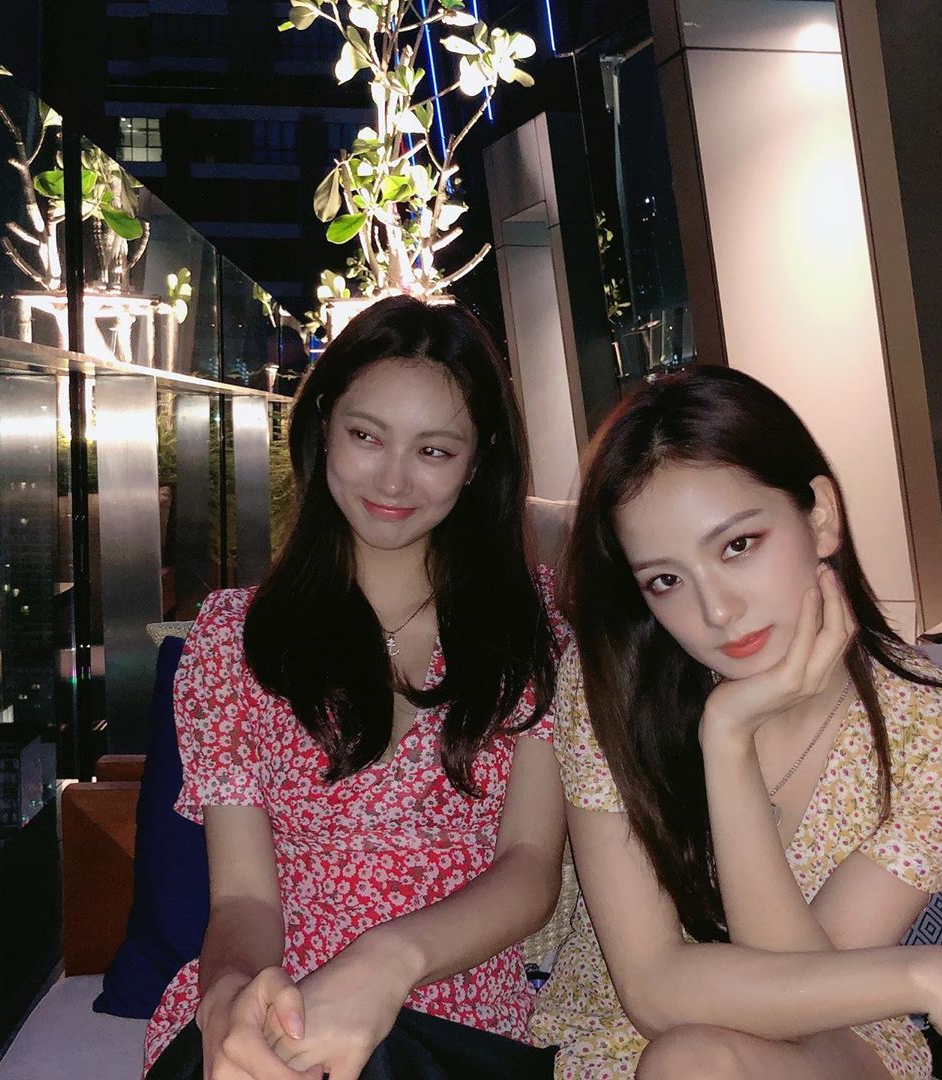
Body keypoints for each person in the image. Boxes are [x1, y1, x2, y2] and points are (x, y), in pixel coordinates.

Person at [529, 367, 942, 1079]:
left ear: (821, 516)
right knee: (692, 1058)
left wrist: (731, 751)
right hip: (623, 1046)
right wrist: (936, 977)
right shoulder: (609, 687)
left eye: (738, 545)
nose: (717, 611)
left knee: (695, 1060)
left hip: (834, 1050)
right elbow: (651, 987)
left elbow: (805, 997)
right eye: (666, 580)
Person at [143, 295, 567, 1080]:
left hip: (456, 1015)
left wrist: (386, 961)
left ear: (479, 463)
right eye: (366, 436)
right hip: (279, 1001)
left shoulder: (534, 628)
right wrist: (230, 994)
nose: (393, 478)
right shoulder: (233, 637)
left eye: (434, 450)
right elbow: (243, 900)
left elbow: (530, 867)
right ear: (322, 428)